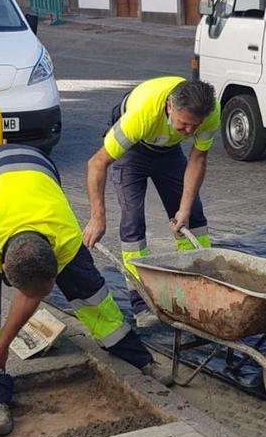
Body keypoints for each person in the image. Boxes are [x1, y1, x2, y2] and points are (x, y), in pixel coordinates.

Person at [0, 144, 170, 437]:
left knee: (87, 285)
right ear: (4, 269)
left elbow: (33, 294)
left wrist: (3, 349)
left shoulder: (63, 234)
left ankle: (134, 353)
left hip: (41, 171)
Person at [83, 77, 219, 326]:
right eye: (184, 125)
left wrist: (185, 208)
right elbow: (96, 164)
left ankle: (195, 287)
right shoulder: (141, 117)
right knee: (133, 221)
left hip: (168, 153)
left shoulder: (211, 113)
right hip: (133, 150)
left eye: (194, 127)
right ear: (169, 107)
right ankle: (141, 301)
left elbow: (198, 158)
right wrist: (97, 217)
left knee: (194, 218)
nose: (190, 132)